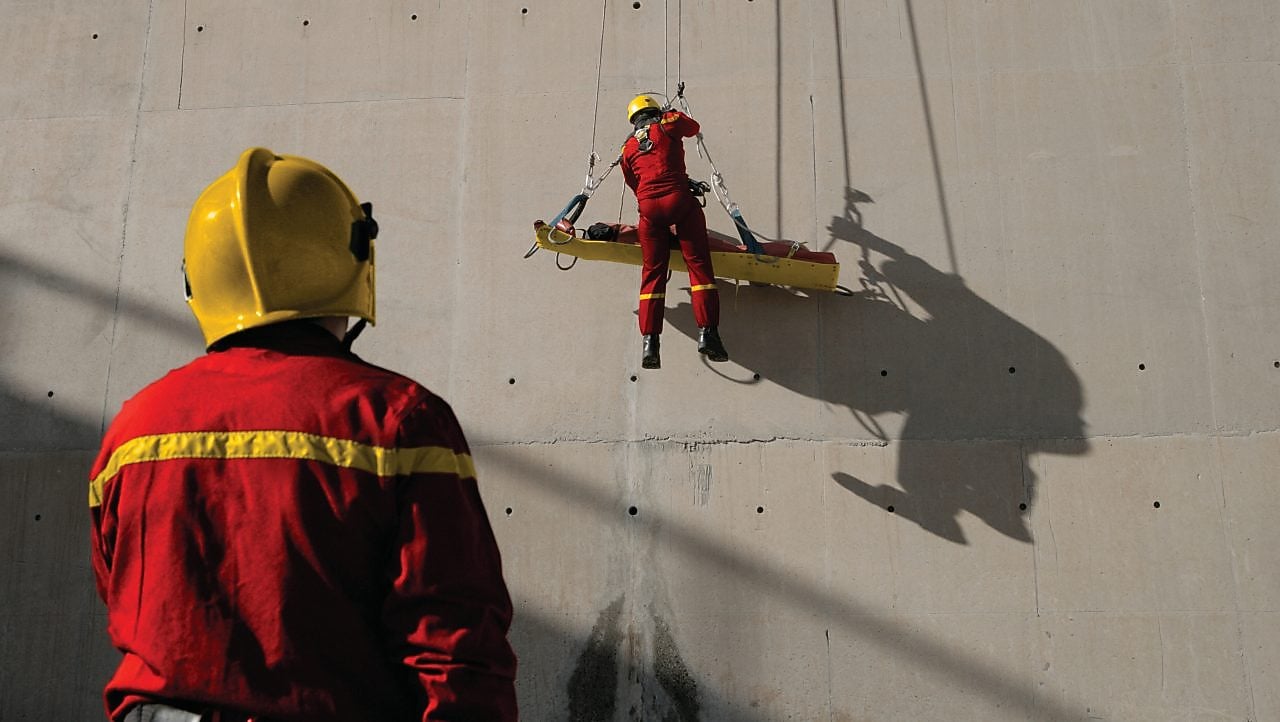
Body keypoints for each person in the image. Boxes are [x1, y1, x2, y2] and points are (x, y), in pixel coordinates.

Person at [88, 148, 517, 722]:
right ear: (353, 256)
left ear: (199, 277)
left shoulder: (133, 431)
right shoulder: (398, 421)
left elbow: (126, 605)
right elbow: (453, 649)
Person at [620, 94, 729, 370]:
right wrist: (673, 112)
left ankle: (650, 344)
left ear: (634, 120)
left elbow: (634, 183)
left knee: (652, 275)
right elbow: (693, 128)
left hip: (649, 211)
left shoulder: (628, 148)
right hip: (679, 201)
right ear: (655, 111)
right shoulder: (668, 123)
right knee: (699, 266)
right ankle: (708, 334)